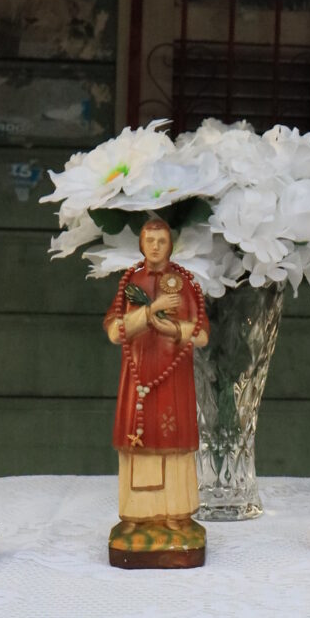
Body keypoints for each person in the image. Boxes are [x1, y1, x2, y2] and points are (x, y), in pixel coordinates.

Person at [103, 217, 210, 535]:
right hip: (138, 375)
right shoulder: (130, 283)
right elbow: (114, 331)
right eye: (150, 241)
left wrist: (174, 329)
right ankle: (137, 513)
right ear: (141, 244)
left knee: (174, 442)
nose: (155, 247)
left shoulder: (185, 283)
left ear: (170, 245)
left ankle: (176, 511)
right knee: (137, 441)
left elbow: (202, 335)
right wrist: (149, 312)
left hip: (173, 377)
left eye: (161, 241)